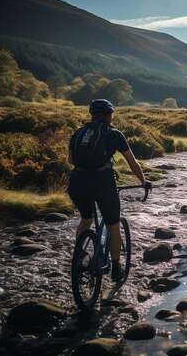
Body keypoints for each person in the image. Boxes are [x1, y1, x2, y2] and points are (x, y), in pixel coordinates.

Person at [67, 99, 149, 282]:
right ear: (110, 115)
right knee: (113, 227)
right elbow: (132, 162)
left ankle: (79, 257)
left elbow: (71, 161)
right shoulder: (114, 134)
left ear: (92, 115)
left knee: (86, 219)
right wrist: (143, 181)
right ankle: (116, 266)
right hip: (103, 183)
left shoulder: (78, 133)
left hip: (77, 182)